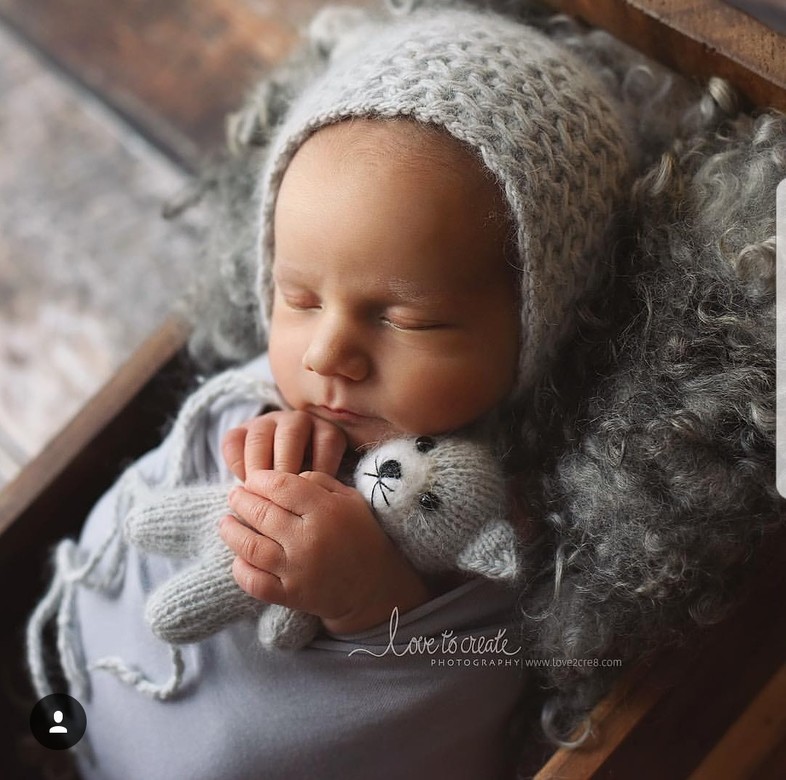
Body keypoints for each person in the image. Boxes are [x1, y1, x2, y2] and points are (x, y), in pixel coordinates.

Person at [26, 3, 631, 778]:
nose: (328, 354)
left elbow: (473, 680)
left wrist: (368, 597)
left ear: (539, 321)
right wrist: (251, 448)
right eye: (300, 298)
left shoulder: (510, 510)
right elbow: (164, 501)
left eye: (404, 318)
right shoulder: (278, 397)